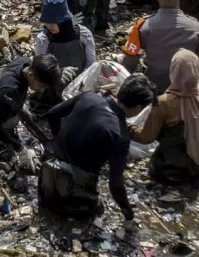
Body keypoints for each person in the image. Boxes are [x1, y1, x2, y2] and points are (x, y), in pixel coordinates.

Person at [40, 74, 156, 224]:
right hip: (70, 198)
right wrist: (129, 215)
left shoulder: (88, 97)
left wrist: (57, 140)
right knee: (98, 211)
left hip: (45, 182)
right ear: (139, 107)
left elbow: (53, 114)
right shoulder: (120, 135)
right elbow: (115, 184)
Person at [136, 49, 199, 190]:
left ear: (173, 71)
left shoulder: (164, 102)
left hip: (172, 170)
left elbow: (145, 138)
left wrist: (128, 127)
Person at [122, 0, 199, 93]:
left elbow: (129, 64)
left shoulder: (143, 26)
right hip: (184, 93)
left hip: (154, 91)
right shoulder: (197, 28)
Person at [0, 55, 61, 171]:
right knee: (1, 163)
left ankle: (7, 134)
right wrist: (20, 149)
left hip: (2, 108)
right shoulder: (11, 89)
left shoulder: (25, 63)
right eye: (42, 85)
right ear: (31, 75)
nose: (42, 90)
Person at [34, 0, 95, 89]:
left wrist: (82, 83)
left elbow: (91, 64)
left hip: (80, 84)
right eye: (47, 22)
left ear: (64, 21)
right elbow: (39, 71)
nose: (49, 26)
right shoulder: (43, 39)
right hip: (53, 86)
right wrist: (58, 75)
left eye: (53, 22)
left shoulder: (84, 34)